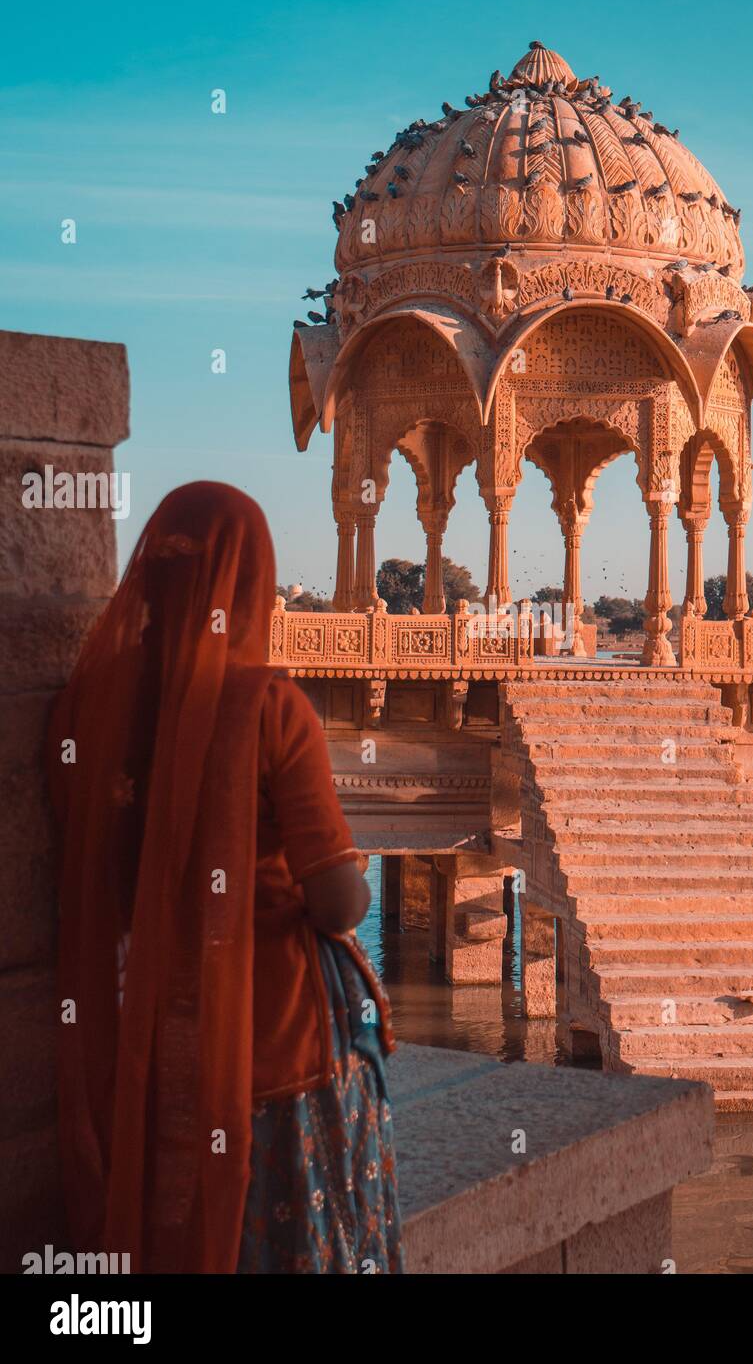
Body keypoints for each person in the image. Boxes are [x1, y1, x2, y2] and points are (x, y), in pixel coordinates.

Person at [49, 481, 402, 1273]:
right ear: (251, 586)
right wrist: (357, 873)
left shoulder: (90, 709)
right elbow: (338, 903)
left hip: (154, 1027)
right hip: (275, 1041)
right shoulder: (268, 708)